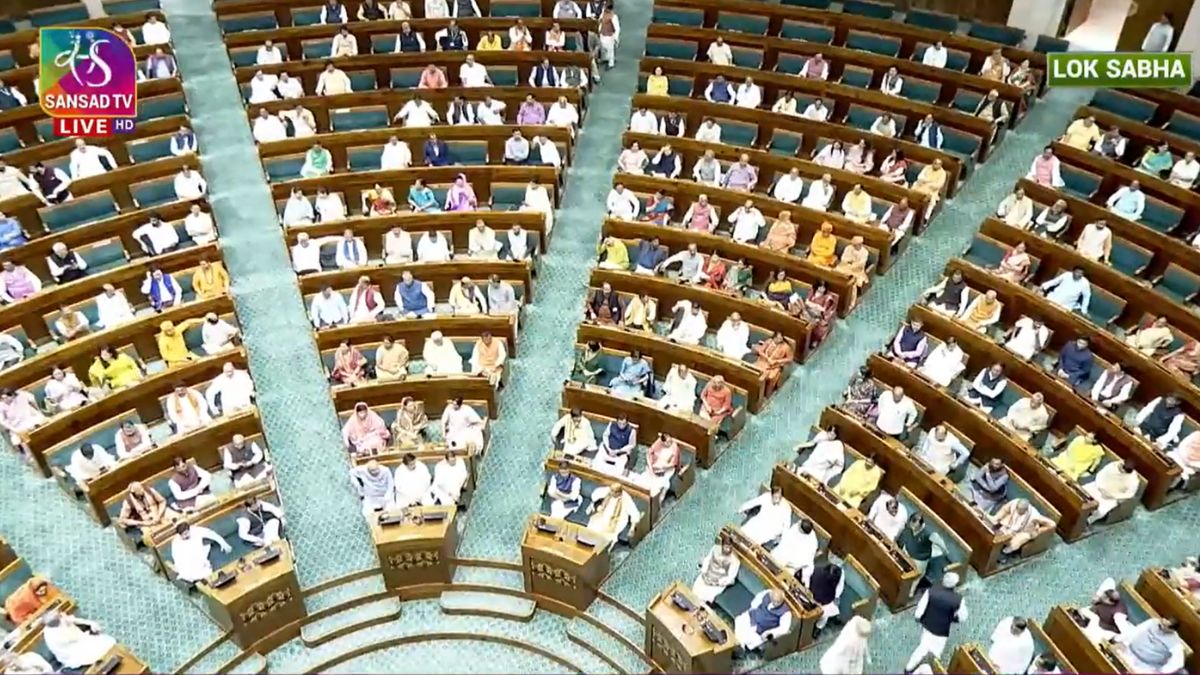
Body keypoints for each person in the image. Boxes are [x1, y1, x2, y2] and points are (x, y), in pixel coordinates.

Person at [904, 573, 965, 670]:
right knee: (937, 651)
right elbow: (962, 617)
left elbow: (921, 607)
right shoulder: (958, 599)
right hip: (942, 630)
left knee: (922, 647)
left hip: (928, 624)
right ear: (955, 585)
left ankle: (909, 667)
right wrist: (954, 619)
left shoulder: (931, 591)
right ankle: (933, 669)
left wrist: (918, 617)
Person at [42, 610, 118, 669]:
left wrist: (90, 623)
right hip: (72, 653)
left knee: (108, 642)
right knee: (103, 649)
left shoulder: (59, 620)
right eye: (60, 616)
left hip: (80, 641)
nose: (63, 614)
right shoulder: (55, 635)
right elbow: (77, 638)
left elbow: (73, 620)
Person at [693, 539, 740, 604]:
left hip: (717, 584)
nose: (728, 550)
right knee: (695, 591)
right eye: (726, 547)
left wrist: (716, 582)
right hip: (707, 575)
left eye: (730, 547)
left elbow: (730, 578)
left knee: (703, 598)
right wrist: (704, 571)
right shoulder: (715, 548)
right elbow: (708, 559)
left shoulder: (735, 560)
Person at [753, 332, 792, 397]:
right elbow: (760, 351)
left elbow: (790, 358)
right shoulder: (769, 341)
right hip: (763, 361)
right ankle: (756, 391)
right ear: (774, 337)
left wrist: (778, 361)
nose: (778, 340)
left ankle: (767, 394)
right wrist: (767, 358)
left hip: (775, 365)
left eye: (780, 338)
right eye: (777, 338)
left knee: (771, 377)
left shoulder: (786, 347)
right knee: (755, 372)